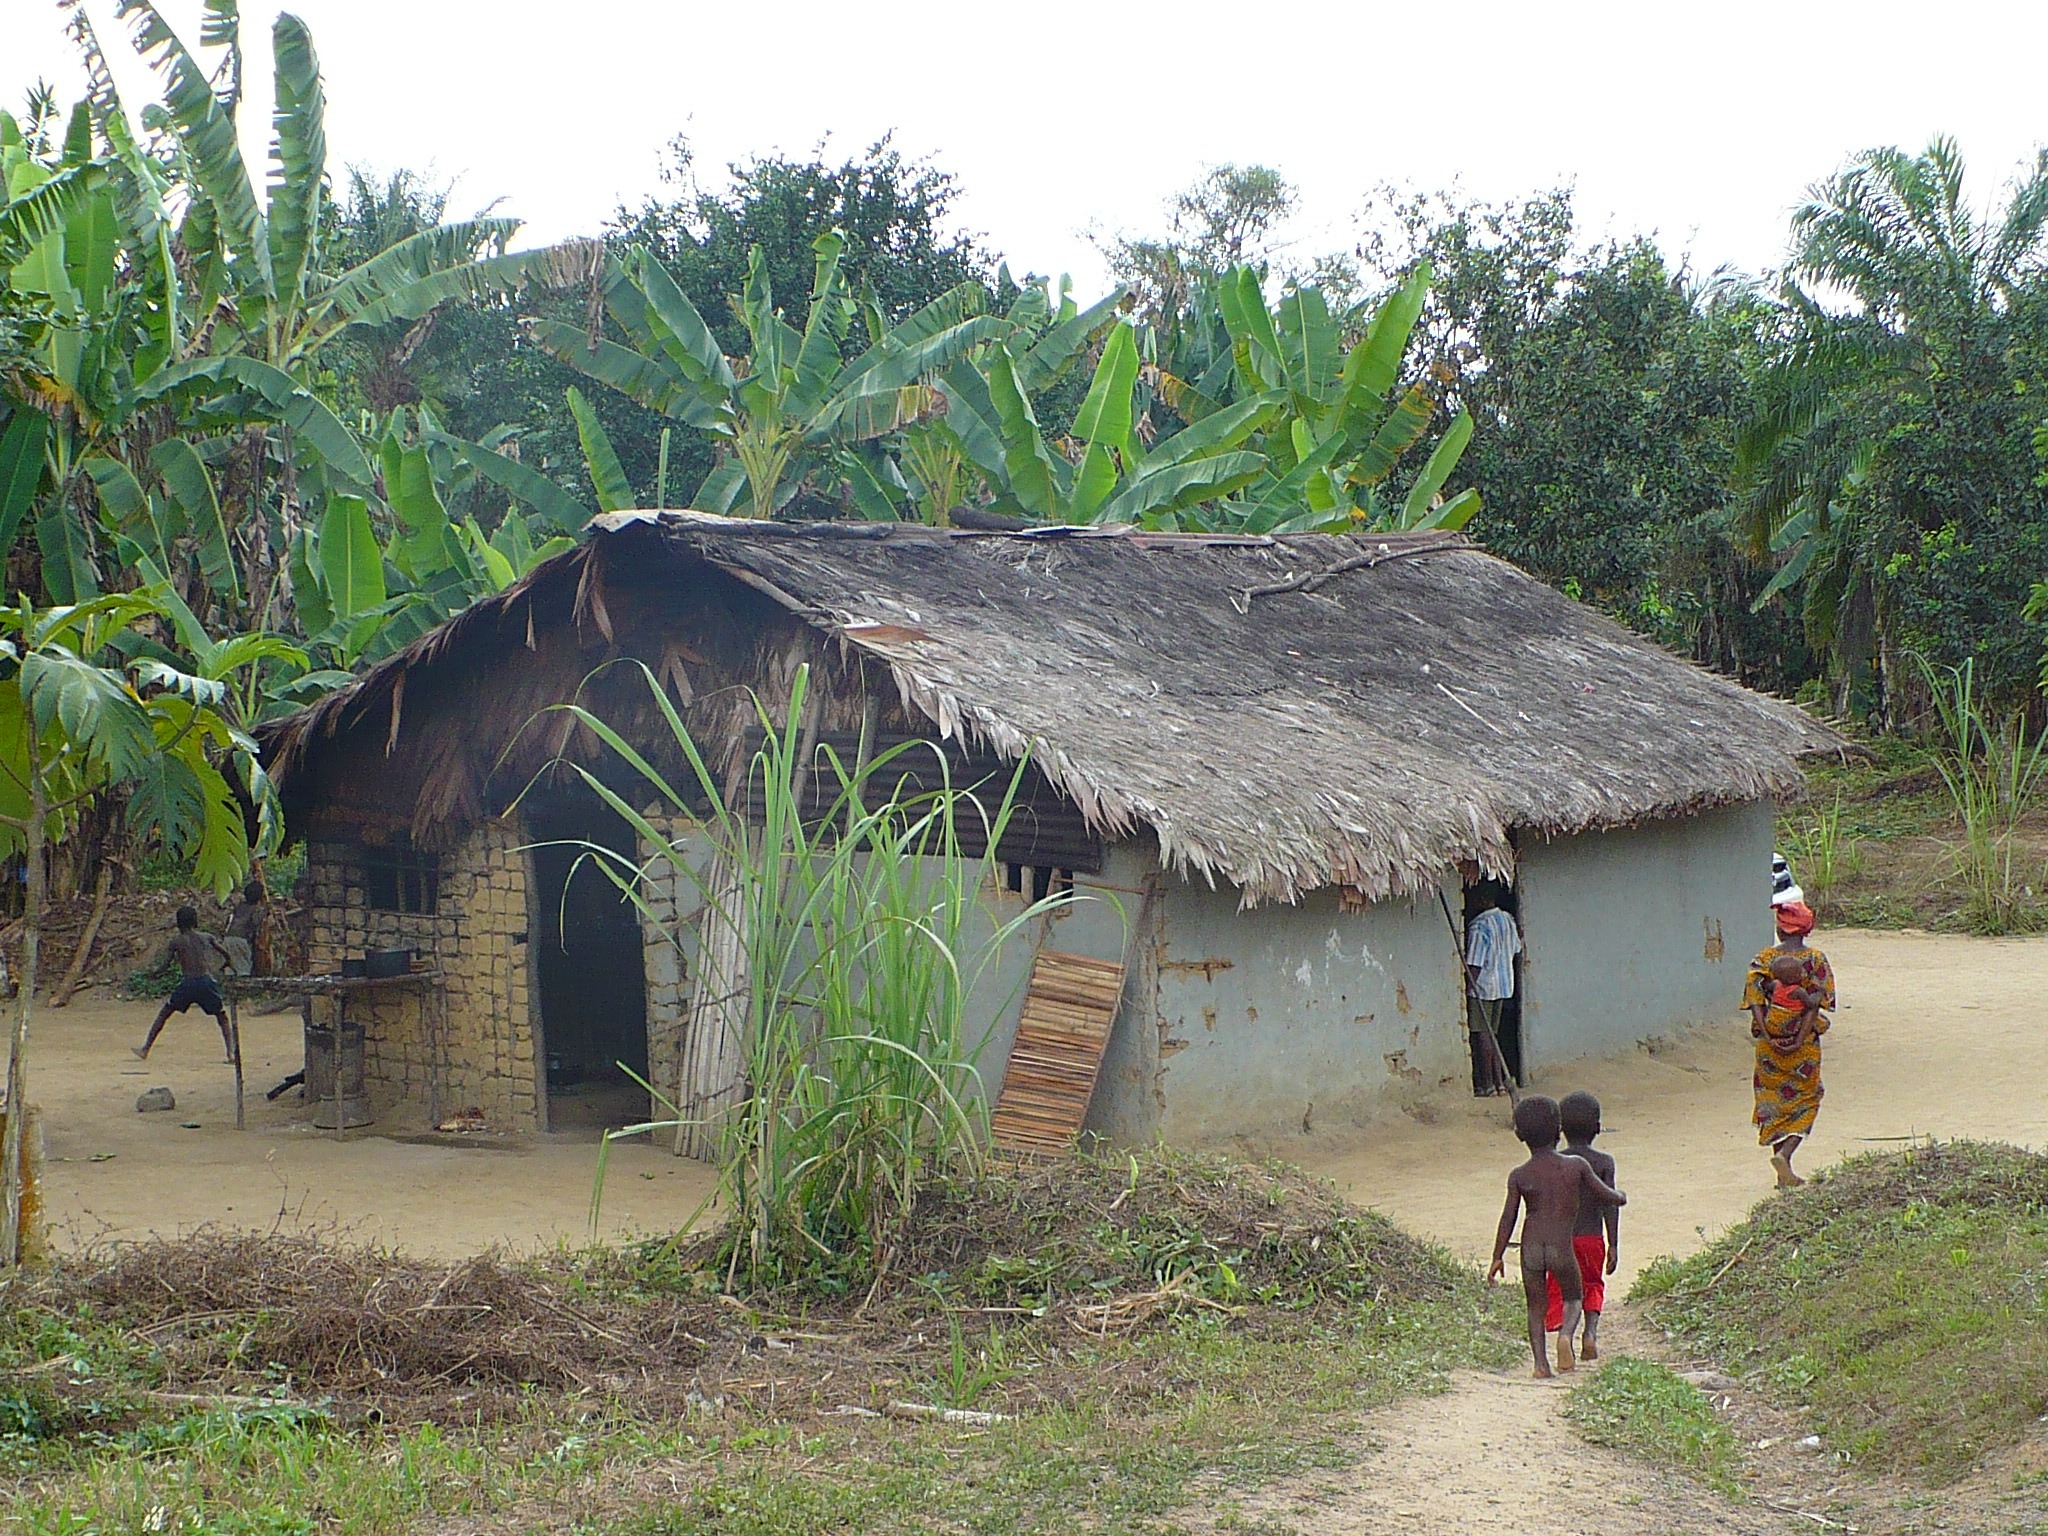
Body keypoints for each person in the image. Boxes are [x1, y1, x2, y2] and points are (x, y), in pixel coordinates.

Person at [1487, 1094, 1626, 1378]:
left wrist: (1497, 1256)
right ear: (1557, 1129)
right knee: (1574, 1297)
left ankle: (1540, 1365)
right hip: (1561, 1247)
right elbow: (1607, 1196)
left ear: (1518, 1135)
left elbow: (1508, 1217)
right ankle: (1566, 1335)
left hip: (1530, 1248)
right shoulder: (1575, 1165)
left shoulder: (1518, 1175)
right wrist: (1621, 1197)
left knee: (1535, 1306)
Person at [1742, 899, 1835, 1188]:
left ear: (1780, 930)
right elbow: (1815, 1006)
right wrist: (1798, 1039)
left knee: (1772, 1103)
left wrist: (1768, 1034)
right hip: (1804, 1048)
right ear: (1806, 930)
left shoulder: (1764, 960)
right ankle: (1786, 1154)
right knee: (1808, 1098)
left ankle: (1783, 1171)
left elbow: (1755, 999)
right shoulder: (1816, 961)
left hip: (1769, 1049)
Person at [1543, 1090, 1620, 1362]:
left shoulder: (1554, 1162)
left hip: (1561, 1241)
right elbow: (1610, 1205)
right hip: (1592, 1238)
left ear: (1561, 1129)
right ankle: (1590, 1335)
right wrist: (1613, 1244)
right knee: (1592, 1284)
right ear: (1598, 1128)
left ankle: (1566, 1334)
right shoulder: (1603, 1163)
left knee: (1565, 1289)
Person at [134, 907, 235, 1063]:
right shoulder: (206, 937)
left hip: (188, 983)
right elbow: (226, 954)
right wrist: (226, 963)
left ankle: (145, 1049)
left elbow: (165, 965)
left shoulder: (176, 941)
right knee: (221, 1017)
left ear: (178, 922)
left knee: (165, 1013)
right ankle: (230, 1053)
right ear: (195, 921)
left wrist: (153, 973)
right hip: (206, 981)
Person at [1464, 888, 1522, 1097]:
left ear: (1482, 898)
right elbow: (1516, 949)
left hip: (1484, 987)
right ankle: (1499, 1083)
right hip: (1505, 986)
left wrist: (1468, 986)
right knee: (1493, 1034)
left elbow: (1475, 962)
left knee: (1483, 1036)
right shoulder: (1507, 919)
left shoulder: (1479, 926)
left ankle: (1487, 1084)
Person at [221, 880, 264, 977]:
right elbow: (256, 923)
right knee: (243, 970)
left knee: (230, 970)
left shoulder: (239, 906)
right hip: (241, 940)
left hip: (228, 939)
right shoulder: (256, 909)